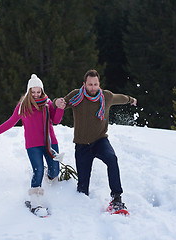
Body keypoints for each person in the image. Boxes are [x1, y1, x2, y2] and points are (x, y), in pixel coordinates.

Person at [55, 69, 137, 210]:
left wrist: (131, 99)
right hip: (82, 146)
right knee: (82, 188)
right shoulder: (76, 96)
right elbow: (63, 102)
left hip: (100, 141)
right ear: (84, 84)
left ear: (99, 84)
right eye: (90, 84)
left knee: (112, 159)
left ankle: (116, 197)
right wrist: (57, 102)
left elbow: (120, 98)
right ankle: (82, 211)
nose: (93, 87)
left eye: (95, 84)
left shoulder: (106, 96)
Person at [0, 74, 66, 216]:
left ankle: (49, 178)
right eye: (33, 92)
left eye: (38, 92)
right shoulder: (23, 106)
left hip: (50, 142)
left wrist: (60, 108)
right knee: (38, 171)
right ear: (28, 91)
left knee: (55, 171)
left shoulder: (47, 104)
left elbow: (56, 120)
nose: (36, 95)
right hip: (33, 145)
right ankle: (35, 203)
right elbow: (10, 122)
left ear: (42, 91)